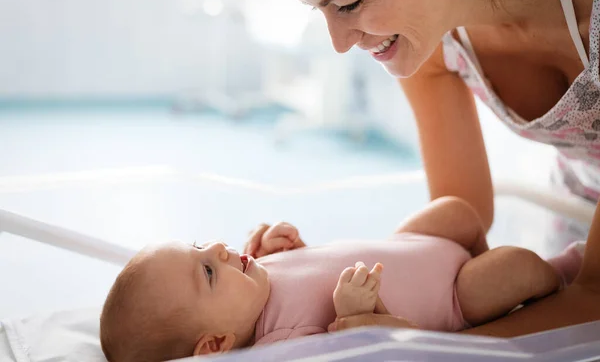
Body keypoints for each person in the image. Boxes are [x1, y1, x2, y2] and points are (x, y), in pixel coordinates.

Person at [267, 0, 600, 336]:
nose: (340, 44)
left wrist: (416, 347)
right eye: (319, 9)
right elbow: (456, 224)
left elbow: (594, 297)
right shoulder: (427, 38)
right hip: (573, 210)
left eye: (348, 5)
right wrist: (304, 285)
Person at [100, 197, 583, 361]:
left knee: (454, 211)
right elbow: (382, 348)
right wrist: (358, 315)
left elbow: (317, 266)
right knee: (516, 266)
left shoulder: (254, 279)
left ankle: (492, 271)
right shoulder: (284, 343)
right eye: (207, 270)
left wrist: (285, 247)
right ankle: (563, 273)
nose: (219, 249)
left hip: (409, 248)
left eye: (200, 244)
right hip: (453, 296)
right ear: (215, 345)